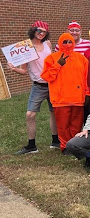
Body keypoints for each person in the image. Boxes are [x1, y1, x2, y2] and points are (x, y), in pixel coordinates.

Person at [9, 21, 59, 154]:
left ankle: (55, 142)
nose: (41, 33)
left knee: (54, 113)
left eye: (44, 32)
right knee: (30, 114)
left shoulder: (47, 44)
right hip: (38, 86)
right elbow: (24, 70)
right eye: (39, 30)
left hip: (53, 84)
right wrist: (14, 68)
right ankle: (32, 145)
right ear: (33, 30)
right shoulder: (26, 47)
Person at [41, 33, 89, 152]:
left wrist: (87, 93)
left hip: (77, 98)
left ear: (73, 43)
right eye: (65, 42)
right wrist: (58, 64)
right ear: (60, 43)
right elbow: (46, 76)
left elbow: (87, 77)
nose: (67, 44)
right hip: (60, 99)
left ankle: (75, 145)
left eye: (69, 42)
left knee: (76, 125)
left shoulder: (81, 58)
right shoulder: (52, 58)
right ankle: (65, 146)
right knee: (63, 126)